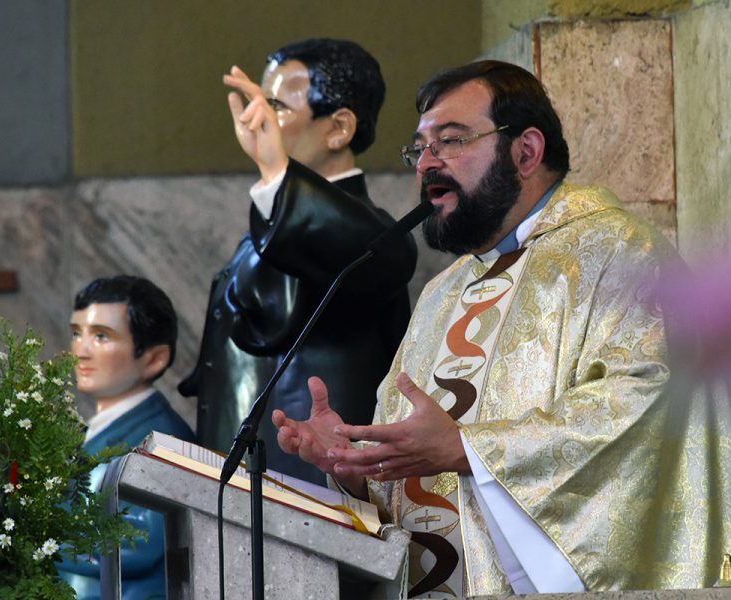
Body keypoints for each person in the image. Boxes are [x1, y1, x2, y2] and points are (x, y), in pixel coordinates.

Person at [272, 60, 730, 595]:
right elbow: (417, 484)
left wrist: (470, 450)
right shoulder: (443, 291)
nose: (427, 163)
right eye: (420, 147)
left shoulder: (620, 254)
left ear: (526, 152)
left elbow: (646, 407)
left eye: (451, 140)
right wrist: (356, 469)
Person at [179, 38, 417, 485]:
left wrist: (277, 176)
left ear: (339, 128)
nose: (258, 121)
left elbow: (383, 257)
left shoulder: (368, 235)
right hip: (238, 488)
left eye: (275, 108)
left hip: (308, 487)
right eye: (257, 106)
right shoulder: (276, 218)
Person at [58, 275, 195, 600]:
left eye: (102, 337)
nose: (81, 351)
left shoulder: (163, 441)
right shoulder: (90, 431)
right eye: (77, 334)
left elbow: (135, 542)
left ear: (154, 358)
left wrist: (33, 533)